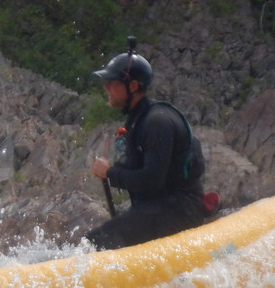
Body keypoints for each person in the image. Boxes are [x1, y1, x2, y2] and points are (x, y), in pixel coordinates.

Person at [85, 37, 209, 250]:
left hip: (182, 208)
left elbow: (151, 180)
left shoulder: (156, 121)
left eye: (112, 82)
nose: (106, 87)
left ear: (132, 86)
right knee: (105, 234)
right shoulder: (137, 121)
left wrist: (110, 173)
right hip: (160, 206)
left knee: (99, 239)